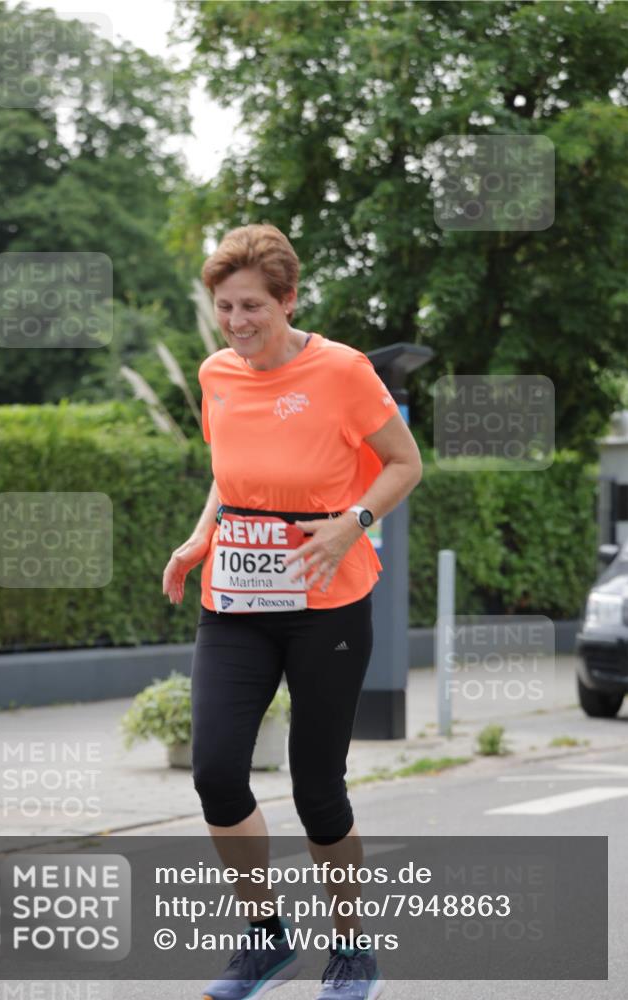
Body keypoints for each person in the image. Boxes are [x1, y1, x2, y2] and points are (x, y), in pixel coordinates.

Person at [162, 223, 423, 1000]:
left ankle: (352, 949)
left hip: (327, 605)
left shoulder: (340, 370)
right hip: (235, 600)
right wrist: (201, 535)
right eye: (224, 307)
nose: (236, 322)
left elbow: (405, 462)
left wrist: (353, 523)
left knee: (317, 787)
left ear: (287, 300)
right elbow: (230, 471)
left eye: (251, 306)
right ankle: (266, 941)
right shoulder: (216, 373)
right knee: (216, 773)